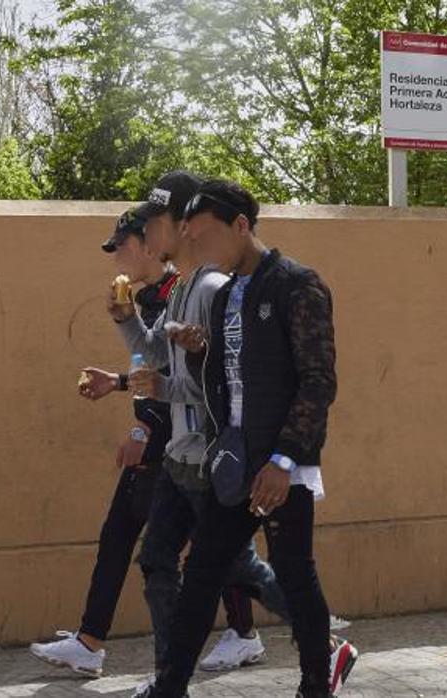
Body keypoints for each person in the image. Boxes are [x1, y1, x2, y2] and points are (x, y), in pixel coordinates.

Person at [147, 180, 357, 698]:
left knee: (293, 573)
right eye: (193, 238)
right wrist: (199, 351)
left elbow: (318, 381)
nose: (199, 246)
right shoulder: (225, 297)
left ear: (241, 225)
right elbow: (225, 380)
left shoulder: (297, 285)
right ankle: (170, 686)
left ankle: (316, 683)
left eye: (207, 235)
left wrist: (284, 460)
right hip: (235, 463)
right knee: (202, 573)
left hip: (280, 464)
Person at [106, 172, 294, 693]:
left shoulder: (212, 290)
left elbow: (219, 384)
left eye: (155, 222)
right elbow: (154, 353)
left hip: (210, 462)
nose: (147, 234)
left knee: (240, 569)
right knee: (159, 561)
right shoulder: (182, 289)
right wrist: (126, 321)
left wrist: (160, 387)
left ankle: (318, 635)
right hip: (180, 458)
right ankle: (170, 680)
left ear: (185, 225)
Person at [27, 207, 177, 677]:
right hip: (160, 438)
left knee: (190, 558)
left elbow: (178, 377)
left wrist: (143, 430)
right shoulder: (150, 297)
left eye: (122, 247)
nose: (116, 259)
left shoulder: (179, 295)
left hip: (175, 444)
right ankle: (90, 642)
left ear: (149, 244)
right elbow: (151, 367)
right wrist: (117, 381)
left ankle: (284, 630)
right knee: (122, 538)